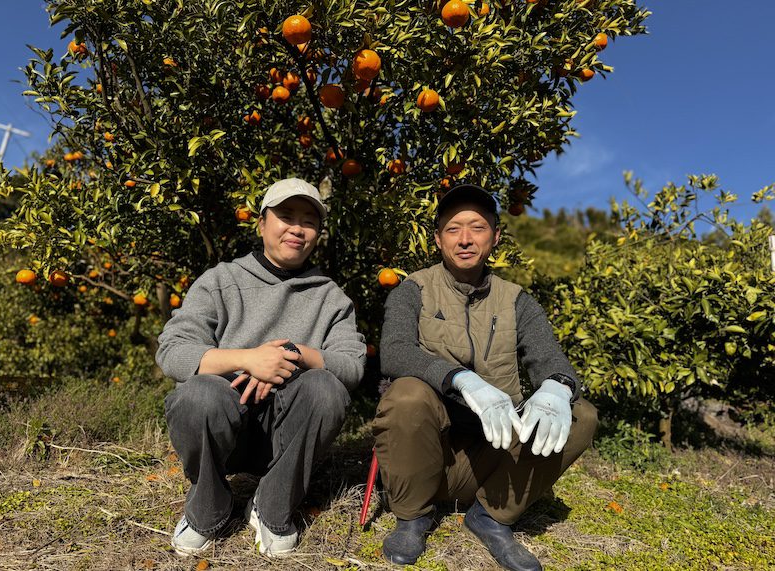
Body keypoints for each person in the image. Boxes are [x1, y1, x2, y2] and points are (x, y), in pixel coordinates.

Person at [372, 184, 598, 570]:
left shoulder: (516, 300)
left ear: (494, 237)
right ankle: (412, 515)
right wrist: (460, 378)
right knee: (407, 393)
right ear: (438, 239)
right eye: (453, 228)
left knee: (581, 414)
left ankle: (492, 515)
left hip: (493, 460)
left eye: (476, 228)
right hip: (427, 456)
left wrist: (557, 385)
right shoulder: (413, 290)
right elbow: (394, 352)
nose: (465, 239)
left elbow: (549, 357)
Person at [156, 178, 366, 558]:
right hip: (223, 429)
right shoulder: (221, 281)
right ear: (261, 224)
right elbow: (172, 351)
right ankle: (208, 508)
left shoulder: (331, 298)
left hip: (287, 436)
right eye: (286, 215)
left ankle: (272, 506)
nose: (297, 228)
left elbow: (352, 366)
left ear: (317, 233)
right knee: (197, 393)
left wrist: (293, 354)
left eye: (309, 221)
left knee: (326, 388)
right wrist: (247, 358)